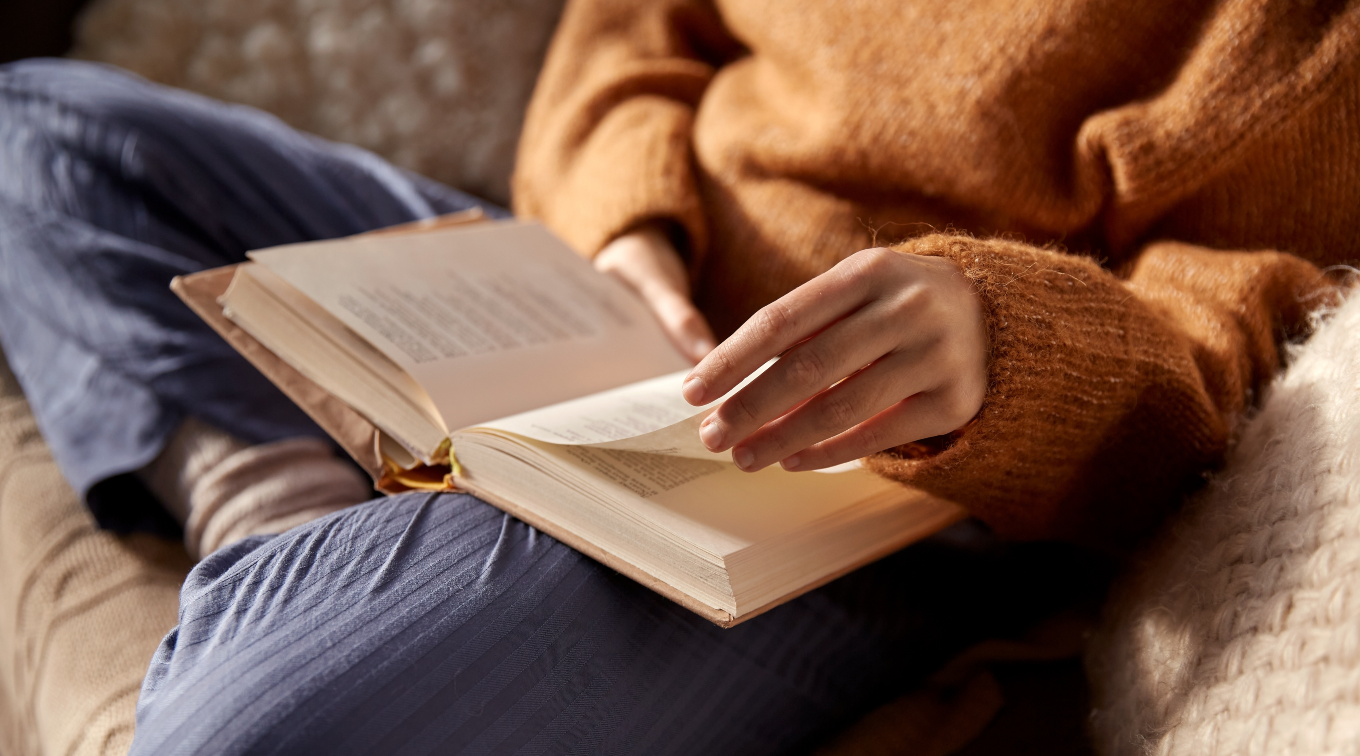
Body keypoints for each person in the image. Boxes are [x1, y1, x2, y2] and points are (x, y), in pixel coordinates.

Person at [0, 0, 1352, 752]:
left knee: (245, 735)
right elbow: (637, 29)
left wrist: (1003, 342)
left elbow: (1239, 336)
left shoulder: (1301, 43)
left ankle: (333, 544)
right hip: (590, 306)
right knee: (39, 130)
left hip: (849, 494)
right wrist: (628, 226)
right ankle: (302, 528)